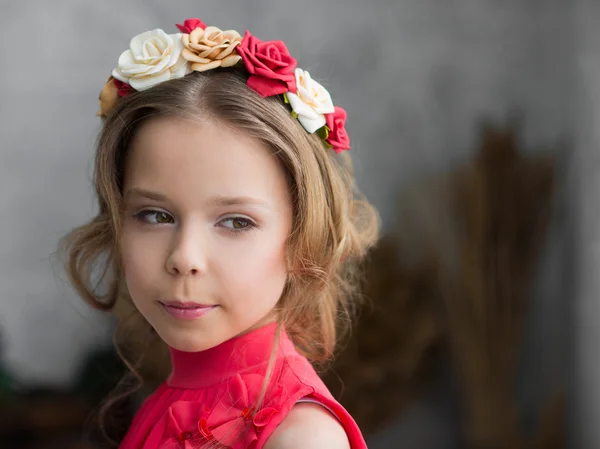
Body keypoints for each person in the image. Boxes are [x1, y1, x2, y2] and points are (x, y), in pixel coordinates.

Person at [61, 17, 379, 449]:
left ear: (303, 236)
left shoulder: (300, 437)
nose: (184, 257)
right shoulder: (168, 403)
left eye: (235, 222)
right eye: (155, 215)